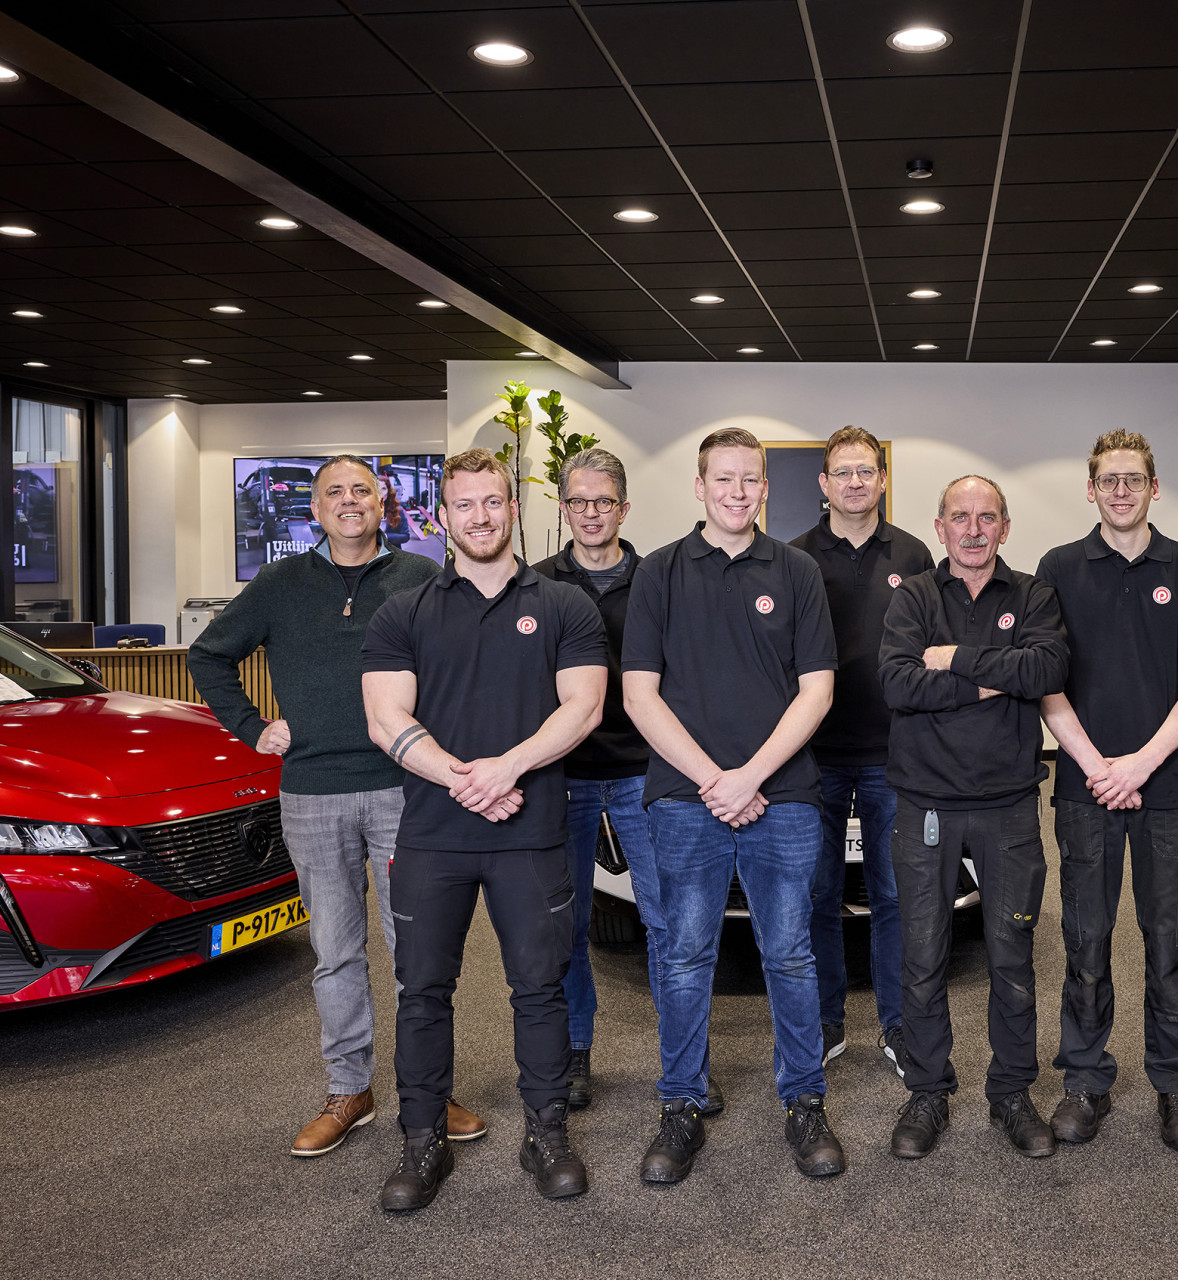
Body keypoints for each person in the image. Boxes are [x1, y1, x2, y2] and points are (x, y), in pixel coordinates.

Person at [187, 455, 483, 1159]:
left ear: (383, 503)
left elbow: (461, 662)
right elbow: (208, 655)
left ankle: (427, 1087)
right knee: (336, 952)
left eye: (362, 490)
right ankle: (349, 1089)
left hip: (403, 791)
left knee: (417, 950)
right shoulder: (279, 583)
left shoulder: (421, 577)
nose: (349, 501)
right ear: (316, 509)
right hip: (313, 794)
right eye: (334, 493)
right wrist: (253, 727)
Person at [360, 447, 608, 1209]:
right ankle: (422, 1141)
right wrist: (465, 779)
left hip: (530, 835)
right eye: (464, 504)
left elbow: (584, 707)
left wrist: (508, 769)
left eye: (493, 501)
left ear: (514, 509)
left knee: (540, 988)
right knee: (422, 991)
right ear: (443, 516)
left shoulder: (564, 605)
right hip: (432, 835)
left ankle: (547, 1134)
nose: (480, 516)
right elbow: (385, 718)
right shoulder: (403, 611)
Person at [621, 428, 845, 1185]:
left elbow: (817, 691)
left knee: (790, 953)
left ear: (766, 489)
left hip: (782, 797)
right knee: (685, 956)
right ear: (700, 485)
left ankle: (805, 1102)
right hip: (685, 801)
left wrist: (749, 776)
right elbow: (639, 695)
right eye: (724, 479)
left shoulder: (798, 571)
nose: (738, 492)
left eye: (751, 479)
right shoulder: (658, 573)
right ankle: (681, 1105)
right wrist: (716, 779)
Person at [1035, 431, 1178, 1152]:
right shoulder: (1058, 568)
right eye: (1109, 480)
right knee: (1085, 937)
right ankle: (1086, 1080)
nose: (1122, 491)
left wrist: (1140, 765)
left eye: (1134, 479)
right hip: (1086, 785)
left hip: (1169, 785)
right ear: (1091, 490)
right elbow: (1046, 681)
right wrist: (1099, 767)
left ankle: (1175, 1080)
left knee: (1170, 937)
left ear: (1154, 487)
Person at [879, 475, 1068, 1160]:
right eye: (960, 517)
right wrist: (998, 678)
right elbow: (898, 683)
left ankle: (1012, 1092)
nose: (973, 529)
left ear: (1005, 528)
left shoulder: (1034, 595)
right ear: (940, 528)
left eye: (987, 517)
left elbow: (1046, 670)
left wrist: (956, 663)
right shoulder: (914, 597)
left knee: (1012, 956)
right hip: (925, 804)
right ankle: (928, 1091)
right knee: (923, 955)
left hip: (1008, 805)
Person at [533, 448, 723, 1117]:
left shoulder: (659, 580)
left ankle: (688, 1059)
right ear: (564, 508)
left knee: (670, 924)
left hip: (647, 772)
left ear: (624, 508)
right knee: (568, 923)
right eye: (579, 501)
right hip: (564, 775)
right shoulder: (537, 584)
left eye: (604, 501)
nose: (591, 513)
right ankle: (575, 1050)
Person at [788, 427, 933, 1076]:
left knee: (894, 896)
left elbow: (930, 650)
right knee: (817, 896)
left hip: (891, 755)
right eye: (842, 472)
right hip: (812, 756)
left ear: (882, 480)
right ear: (824, 484)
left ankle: (898, 1026)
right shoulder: (793, 558)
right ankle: (827, 1022)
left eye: (865, 471)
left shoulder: (914, 553)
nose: (854, 482)